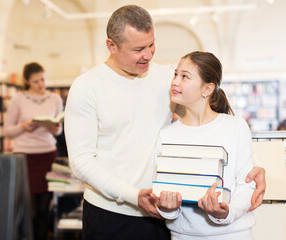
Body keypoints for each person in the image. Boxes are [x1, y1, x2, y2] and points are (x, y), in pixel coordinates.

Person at [64, 5, 265, 240]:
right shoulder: (87, 87)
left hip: (164, 215)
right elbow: (81, 161)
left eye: (151, 45)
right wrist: (133, 195)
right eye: (138, 49)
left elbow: (212, 121)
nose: (148, 55)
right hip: (110, 215)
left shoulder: (164, 79)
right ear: (112, 46)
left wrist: (254, 166)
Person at [153, 51, 256, 239]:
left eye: (185, 76)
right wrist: (167, 209)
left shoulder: (235, 126)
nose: (175, 81)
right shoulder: (166, 135)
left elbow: (247, 185)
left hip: (233, 234)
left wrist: (225, 213)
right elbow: (163, 193)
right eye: (175, 74)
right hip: (183, 235)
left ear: (207, 89)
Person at [4, 62, 63, 240]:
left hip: (48, 156)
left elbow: (58, 130)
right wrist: (23, 126)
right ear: (26, 81)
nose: (41, 84)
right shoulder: (18, 99)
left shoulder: (55, 99)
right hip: (25, 157)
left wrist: (53, 127)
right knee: (31, 209)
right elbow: (7, 131)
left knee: (45, 208)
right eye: (36, 81)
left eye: (43, 79)